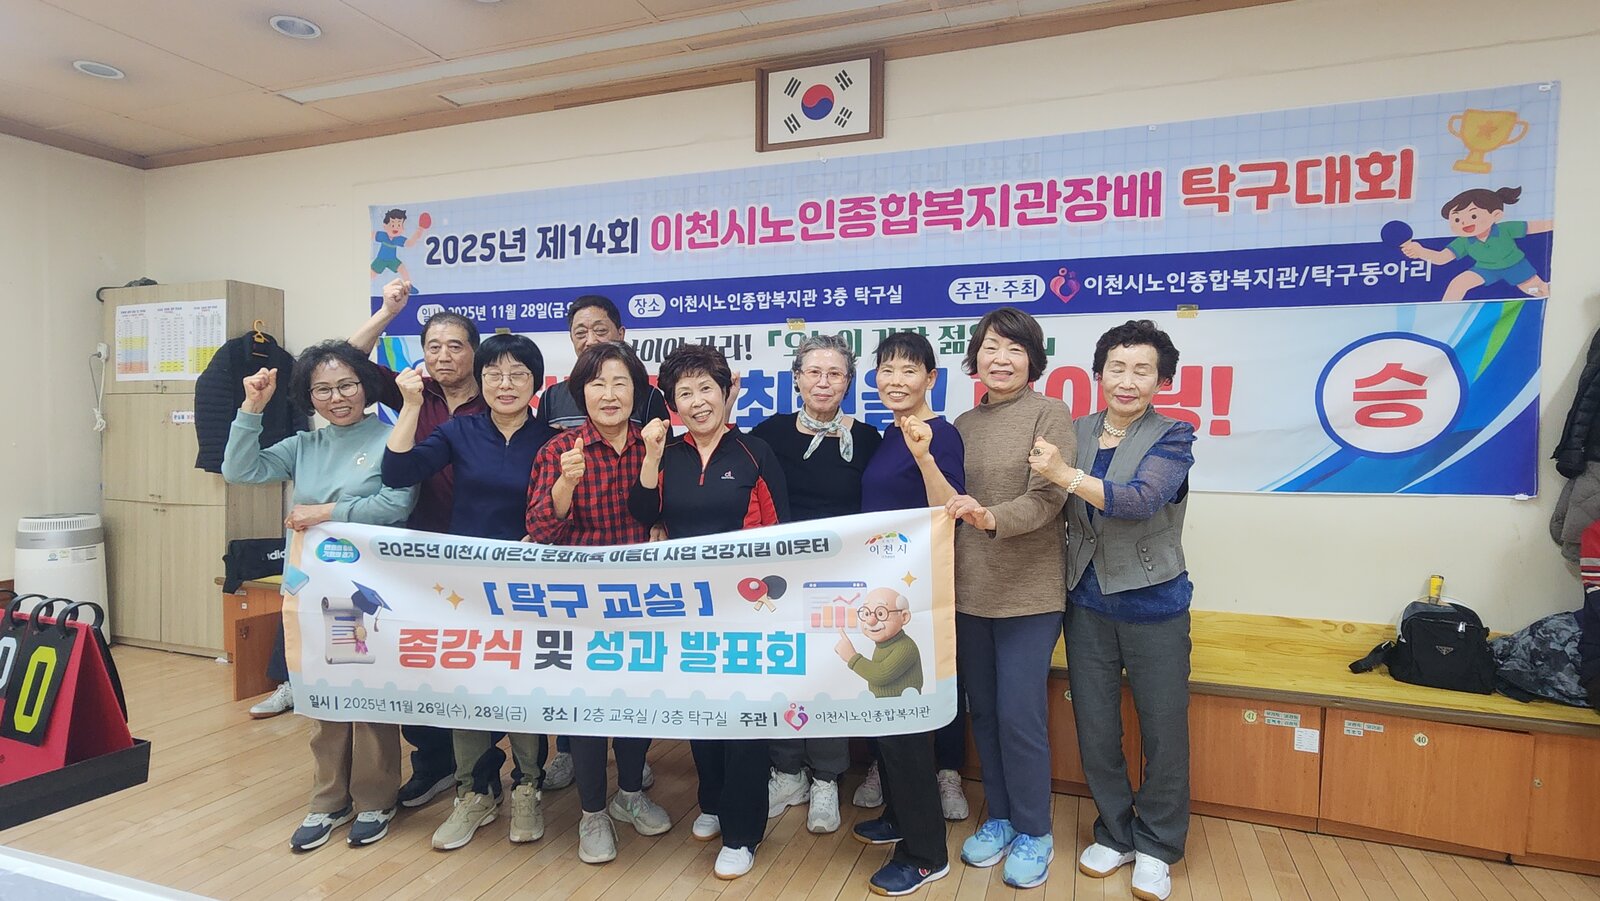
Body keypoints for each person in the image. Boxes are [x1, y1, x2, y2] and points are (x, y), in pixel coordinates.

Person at [350, 279, 561, 807]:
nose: (505, 384)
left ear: (537, 382)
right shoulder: (458, 432)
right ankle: (474, 789)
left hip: (526, 582)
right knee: (466, 682)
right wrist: (408, 407)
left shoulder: (553, 440)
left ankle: (528, 785)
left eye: (518, 374)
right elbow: (398, 471)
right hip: (462, 581)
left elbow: (563, 513)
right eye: (495, 375)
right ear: (481, 380)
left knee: (521, 685)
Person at [221, 340, 417, 852]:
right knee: (324, 696)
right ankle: (329, 799)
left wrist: (324, 512)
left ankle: (376, 798)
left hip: (371, 589)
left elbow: (395, 504)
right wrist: (251, 408)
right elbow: (240, 471)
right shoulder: (304, 445)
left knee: (371, 698)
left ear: (366, 387)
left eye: (347, 385)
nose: (337, 397)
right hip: (312, 589)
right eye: (323, 390)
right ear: (309, 397)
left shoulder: (391, 437)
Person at [1028, 319, 1195, 901]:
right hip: (1085, 602)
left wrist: (1064, 474)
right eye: (1116, 368)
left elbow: (1140, 500)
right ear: (1098, 374)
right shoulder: (1074, 430)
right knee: (1095, 725)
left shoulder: (1174, 435)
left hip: (1155, 604)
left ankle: (1158, 845)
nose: (1127, 381)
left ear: (1161, 380)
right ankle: (1116, 832)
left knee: (1163, 729)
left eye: (1142, 370)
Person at [628, 343, 789, 881]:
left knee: (743, 718)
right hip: (687, 607)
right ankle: (714, 802)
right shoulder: (669, 453)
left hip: (746, 608)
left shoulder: (755, 452)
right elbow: (644, 511)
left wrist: (766, 601)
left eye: (706, 389)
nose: (697, 401)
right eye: (684, 393)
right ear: (672, 403)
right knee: (701, 709)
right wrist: (651, 456)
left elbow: (782, 531)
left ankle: (742, 833)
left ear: (726, 391)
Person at [525, 341, 672, 864]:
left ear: (638, 391)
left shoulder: (655, 443)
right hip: (579, 603)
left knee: (636, 702)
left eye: (620, 383)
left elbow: (671, 508)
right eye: (597, 384)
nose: (609, 394)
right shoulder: (558, 450)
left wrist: (662, 524)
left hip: (641, 599)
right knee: (585, 708)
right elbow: (540, 529)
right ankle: (592, 813)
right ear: (580, 392)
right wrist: (566, 483)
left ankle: (629, 793)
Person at [944, 307, 1075, 889]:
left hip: (1029, 595)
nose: (1001, 359)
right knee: (986, 713)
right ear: (975, 357)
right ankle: (999, 816)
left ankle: (1034, 830)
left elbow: (1048, 499)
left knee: (1021, 714)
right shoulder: (961, 424)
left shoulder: (1050, 413)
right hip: (968, 591)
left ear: (1033, 360)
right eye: (991, 348)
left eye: (1015, 349)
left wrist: (989, 517)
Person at [750, 333, 883, 835]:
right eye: (813, 372)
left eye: (835, 374)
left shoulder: (867, 440)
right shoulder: (769, 433)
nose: (823, 382)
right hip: (779, 581)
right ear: (796, 379)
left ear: (849, 382)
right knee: (783, 673)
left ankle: (826, 778)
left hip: (841, 581)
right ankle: (787, 773)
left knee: (829, 678)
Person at [849, 331, 965, 896]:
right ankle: (898, 816)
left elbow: (950, 509)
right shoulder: (888, 432)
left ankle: (925, 853)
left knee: (905, 723)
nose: (896, 380)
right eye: (887, 369)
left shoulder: (941, 434)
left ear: (931, 378)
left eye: (909, 370)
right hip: (883, 592)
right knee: (887, 715)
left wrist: (924, 455)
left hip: (914, 597)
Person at [537, 294, 670, 430]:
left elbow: (661, 441)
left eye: (600, 331)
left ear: (620, 334)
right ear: (571, 338)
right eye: (581, 333)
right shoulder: (551, 397)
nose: (590, 341)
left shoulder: (647, 396)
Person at [1400, 186, 1553, 301]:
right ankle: (1446, 314)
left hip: (1515, 265)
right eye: (1457, 219)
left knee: (1538, 291)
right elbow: (1442, 258)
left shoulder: (1505, 228)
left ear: (1496, 215)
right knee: (1458, 284)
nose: (1464, 222)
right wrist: (1420, 251)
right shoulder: (1463, 241)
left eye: (1473, 216)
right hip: (1485, 269)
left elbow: (1537, 226)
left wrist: (1560, 222)